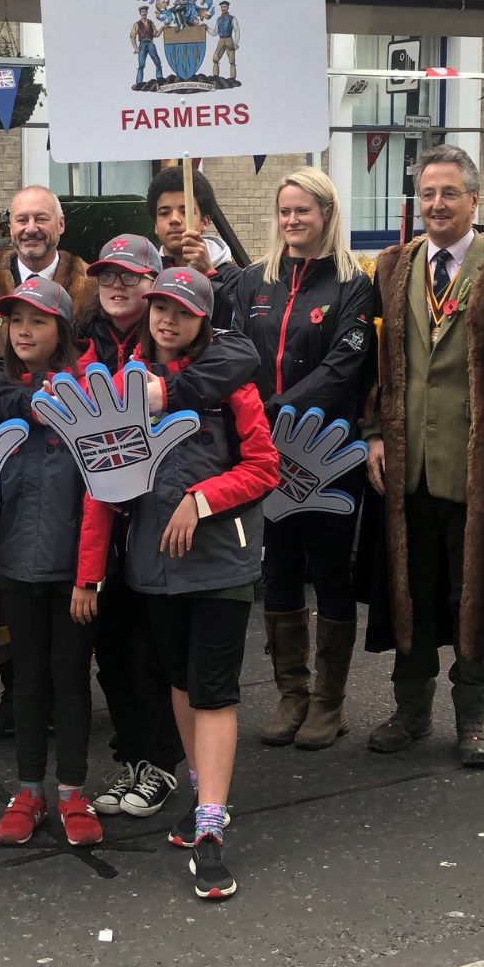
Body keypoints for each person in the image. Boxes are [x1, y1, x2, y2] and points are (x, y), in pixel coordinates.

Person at [75, 268, 279, 900]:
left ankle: (213, 825)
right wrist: (89, 572)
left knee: (214, 689)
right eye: (160, 307)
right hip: (152, 567)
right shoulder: (120, 385)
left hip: (221, 565)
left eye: (183, 312)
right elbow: (101, 486)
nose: (167, 320)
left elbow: (264, 467)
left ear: (202, 320)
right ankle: (200, 792)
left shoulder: (230, 383)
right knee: (183, 684)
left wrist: (203, 498)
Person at [363, 146, 484, 768]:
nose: (437, 205)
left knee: (473, 589)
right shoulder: (390, 266)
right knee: (408, 587)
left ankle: (475, 716)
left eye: (449, 193)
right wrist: (376, 435)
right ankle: (411, 709)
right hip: (407, 455)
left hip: (476, 459)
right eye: (427, 194)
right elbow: (377, 365)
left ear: (474, 201)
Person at [230, 168, 374, 748]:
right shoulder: (251, 283)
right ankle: (293, 693)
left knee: (331, 571)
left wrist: (278, 410)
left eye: (304, 212)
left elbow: (346, 364)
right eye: (285, 211)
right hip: (265, 456)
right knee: (280, 567)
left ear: (327, 215)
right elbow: (231, 349)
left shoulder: (353, 285)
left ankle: (329, 703)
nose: (293, 221)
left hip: (328, 455)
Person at [0, 186, 98, 737]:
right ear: (8, 225)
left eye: (42, 218)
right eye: (21, 219)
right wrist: (7, 395)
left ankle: (72, 704)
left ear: (61, 225)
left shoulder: (85, 281)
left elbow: (90, 357)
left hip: (68, 447)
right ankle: (17, 694)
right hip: (5, 437)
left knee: (71, 578)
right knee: (7, 577)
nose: (30, 227)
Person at [0, 275, 102, 847]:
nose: (24, 331)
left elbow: (103, 490)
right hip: (17, 565)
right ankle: (28, 789)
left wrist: (89, 576)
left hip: (74, 573)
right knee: (26, 683)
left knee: (70, 682)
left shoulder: (90, 394)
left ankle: (73, 790)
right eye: (15, 321)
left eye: (38, 321)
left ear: (63, 330)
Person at [145, 166, 238, 326]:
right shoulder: (145, 277)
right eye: (164, 213)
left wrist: (209, 275)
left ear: (205, 221)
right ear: (155, 225)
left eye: (185, 211)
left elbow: (232, 328)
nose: (174, 219)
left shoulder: (234, 279)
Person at [208, 0, 240, 84]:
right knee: (215, 58)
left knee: (232, 59)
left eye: (224, 6)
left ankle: (232, 78)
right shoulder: (218, 19)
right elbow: (215, 32)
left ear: (228, 7)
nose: (223, 8)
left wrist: (236, 43)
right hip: (221, 40)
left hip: (229, 39)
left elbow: (237, 30)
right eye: (222, 7)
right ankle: (216, 76)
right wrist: (207, 28)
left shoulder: (232, 18)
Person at [131, 9, 163, 89]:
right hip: (142, 44)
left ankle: (159, 78)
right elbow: (132, 36)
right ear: (140, 13)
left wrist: (162, 28)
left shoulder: (151, 22)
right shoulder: (136, 24)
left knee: (157, 61)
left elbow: (156, 34)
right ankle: (139, 82)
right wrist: (136, 47)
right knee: (141, 64)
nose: (144, 13)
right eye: (142, 12)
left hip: (150, 43)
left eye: (145, 11)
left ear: (147, 12)